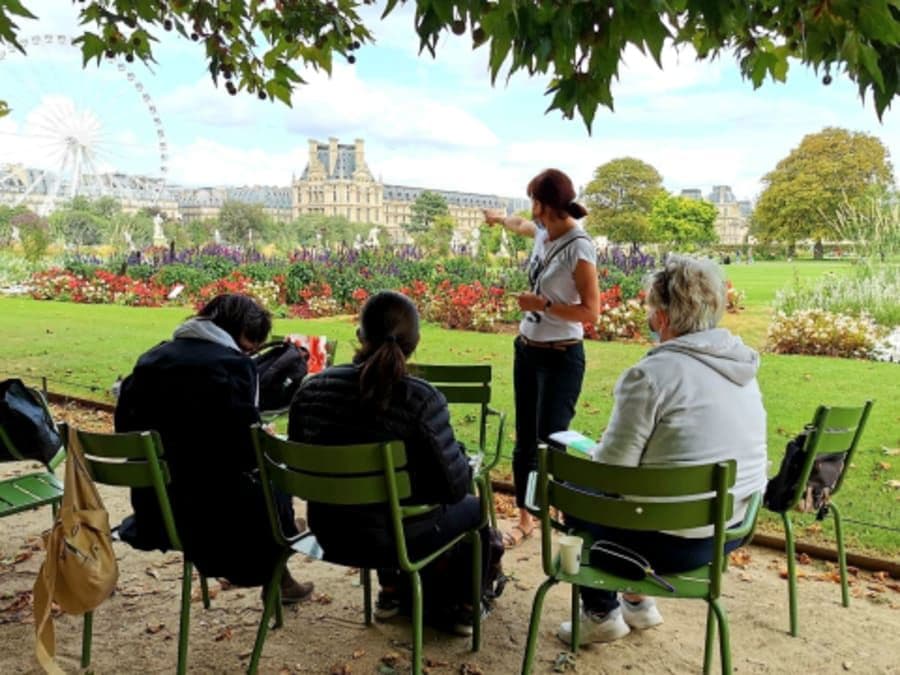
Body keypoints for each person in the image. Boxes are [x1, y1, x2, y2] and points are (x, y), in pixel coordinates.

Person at [559, 255, 767, 644]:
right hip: (730, 530)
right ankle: (638, 603)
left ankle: (601, 612)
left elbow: (611, 470)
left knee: (578, 494)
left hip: (672, 544)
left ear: (664, 317)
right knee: (624, 497)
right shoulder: (741, 368)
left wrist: (592, 455)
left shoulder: (652, 375)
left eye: (652, 309)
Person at [288, 291, 492, 635]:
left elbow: (298, 464)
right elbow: (455, 487)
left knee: (382, 507)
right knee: (475, 508)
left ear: (359, 336)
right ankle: (465, 608)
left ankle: (392, 594)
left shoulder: (310, 392)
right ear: (415, 342)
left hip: (330, 532)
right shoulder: (421, 399)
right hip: (395, 541)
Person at [115, 293, 313, 602]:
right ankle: (283, 536)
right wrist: (262, 435)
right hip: (216, 523)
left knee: (253, 487)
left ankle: (284, 538)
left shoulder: (150, 359)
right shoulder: (232, 367)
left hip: (156, 512)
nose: (249, 353)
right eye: (250, 346)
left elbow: (125, 431)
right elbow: (246, 453)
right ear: (239, 333)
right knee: (272, 479)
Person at [483, 168, 599, 548]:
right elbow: (520, 225)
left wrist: (544, 304)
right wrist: (500, 219)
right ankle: (525, 518)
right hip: (527, 351)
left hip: (562, 357)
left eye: (533, 201)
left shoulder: (580, 248)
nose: (529, 210)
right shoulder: (542, 233)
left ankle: (567, 520)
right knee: (525, 443)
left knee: (554, 441)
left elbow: (591, 312)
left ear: (545, 205)